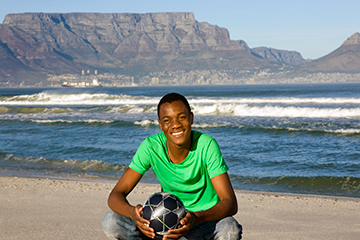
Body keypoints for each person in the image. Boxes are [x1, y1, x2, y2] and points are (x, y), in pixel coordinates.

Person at [101, 92, 242, 240]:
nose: (175, 125)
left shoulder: (206, 145)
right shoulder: (152, 147)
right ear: (160, 125)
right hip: (163, 224)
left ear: (191, 118)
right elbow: (115, 195)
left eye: (181, 117)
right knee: (112, 221)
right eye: (167, 120)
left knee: (230, 229)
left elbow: (230, 203)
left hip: (203, 222)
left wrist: (195, 217)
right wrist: (133, 214)